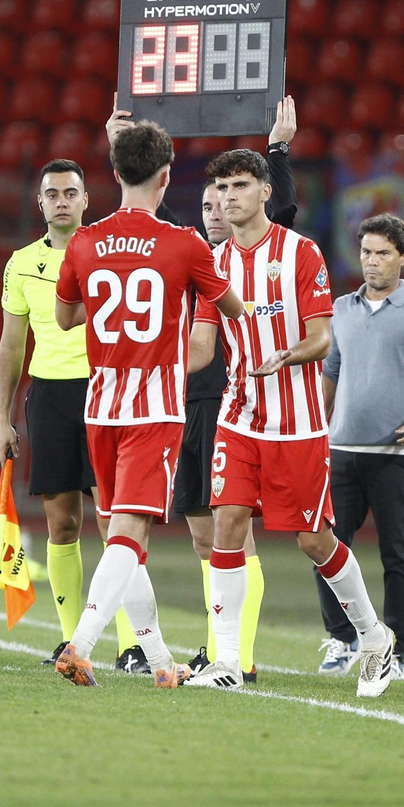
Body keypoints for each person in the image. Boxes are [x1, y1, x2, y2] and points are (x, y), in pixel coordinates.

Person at [185, 149, 399, 695]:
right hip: (239, 415)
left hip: (297, 423)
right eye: (222, 189)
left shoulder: (301, 253)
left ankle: (374, 636)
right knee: (227, 523)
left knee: (314, 540)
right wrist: (156, 364)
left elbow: (324, 335)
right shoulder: (213, 263)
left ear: (263, 192)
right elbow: (204, 344)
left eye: (239, 186)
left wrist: (289, 355)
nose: (229, 198)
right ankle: (228, 663)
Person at [106, 97, 300, 683]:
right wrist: (120, 147)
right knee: (198, 532)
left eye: (227, 200)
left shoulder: (244, 259)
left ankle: (234, 653)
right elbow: (129, 222)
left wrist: (279, 149)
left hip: (228, 404)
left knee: (229, 529)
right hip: (182, 404)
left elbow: (281, 211)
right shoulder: (185, 256)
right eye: (209, 202)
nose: (217, 209)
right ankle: (218, 645)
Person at [49, 121, 245, 688]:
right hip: (152, 408)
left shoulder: (85, 242)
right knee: (131, 538)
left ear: (113, 174)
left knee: (119, 539)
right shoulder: (184, 244)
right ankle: (81, 645)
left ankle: (160, 661)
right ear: (166, 177)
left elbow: (64, 318)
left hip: (100, 404)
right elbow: (231, 307)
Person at [0, 160, 140, 673]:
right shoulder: (20, 263)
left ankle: (132, 644)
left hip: (106, 390)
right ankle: (72, 642)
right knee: (63, 524)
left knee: (115, 521)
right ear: (40, 203)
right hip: (50, 397)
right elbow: (12, 345)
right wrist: (2, 418)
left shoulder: (107, 252)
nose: (61, 200)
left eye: (70, 192)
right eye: (51, 193)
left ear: (85, 201)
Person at [315, 213, 404, 678]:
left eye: (383, 253)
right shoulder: (341, 308)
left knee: (398, 555)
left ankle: (396, 654)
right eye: (367, 252)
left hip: (394, 455)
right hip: (341, 449)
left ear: (403, 258)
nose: (372, 262)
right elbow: (330, 374)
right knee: (327, 547)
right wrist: (316, 431)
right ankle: (342, 639)